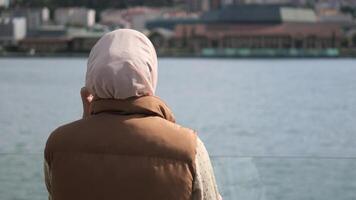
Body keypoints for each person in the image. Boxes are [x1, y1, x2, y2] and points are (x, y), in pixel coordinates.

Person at [44, 29, 222, 200]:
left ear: (91, 73)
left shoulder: (58, 143)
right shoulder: (188, 147)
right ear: (150, 73)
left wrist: (89, 120)